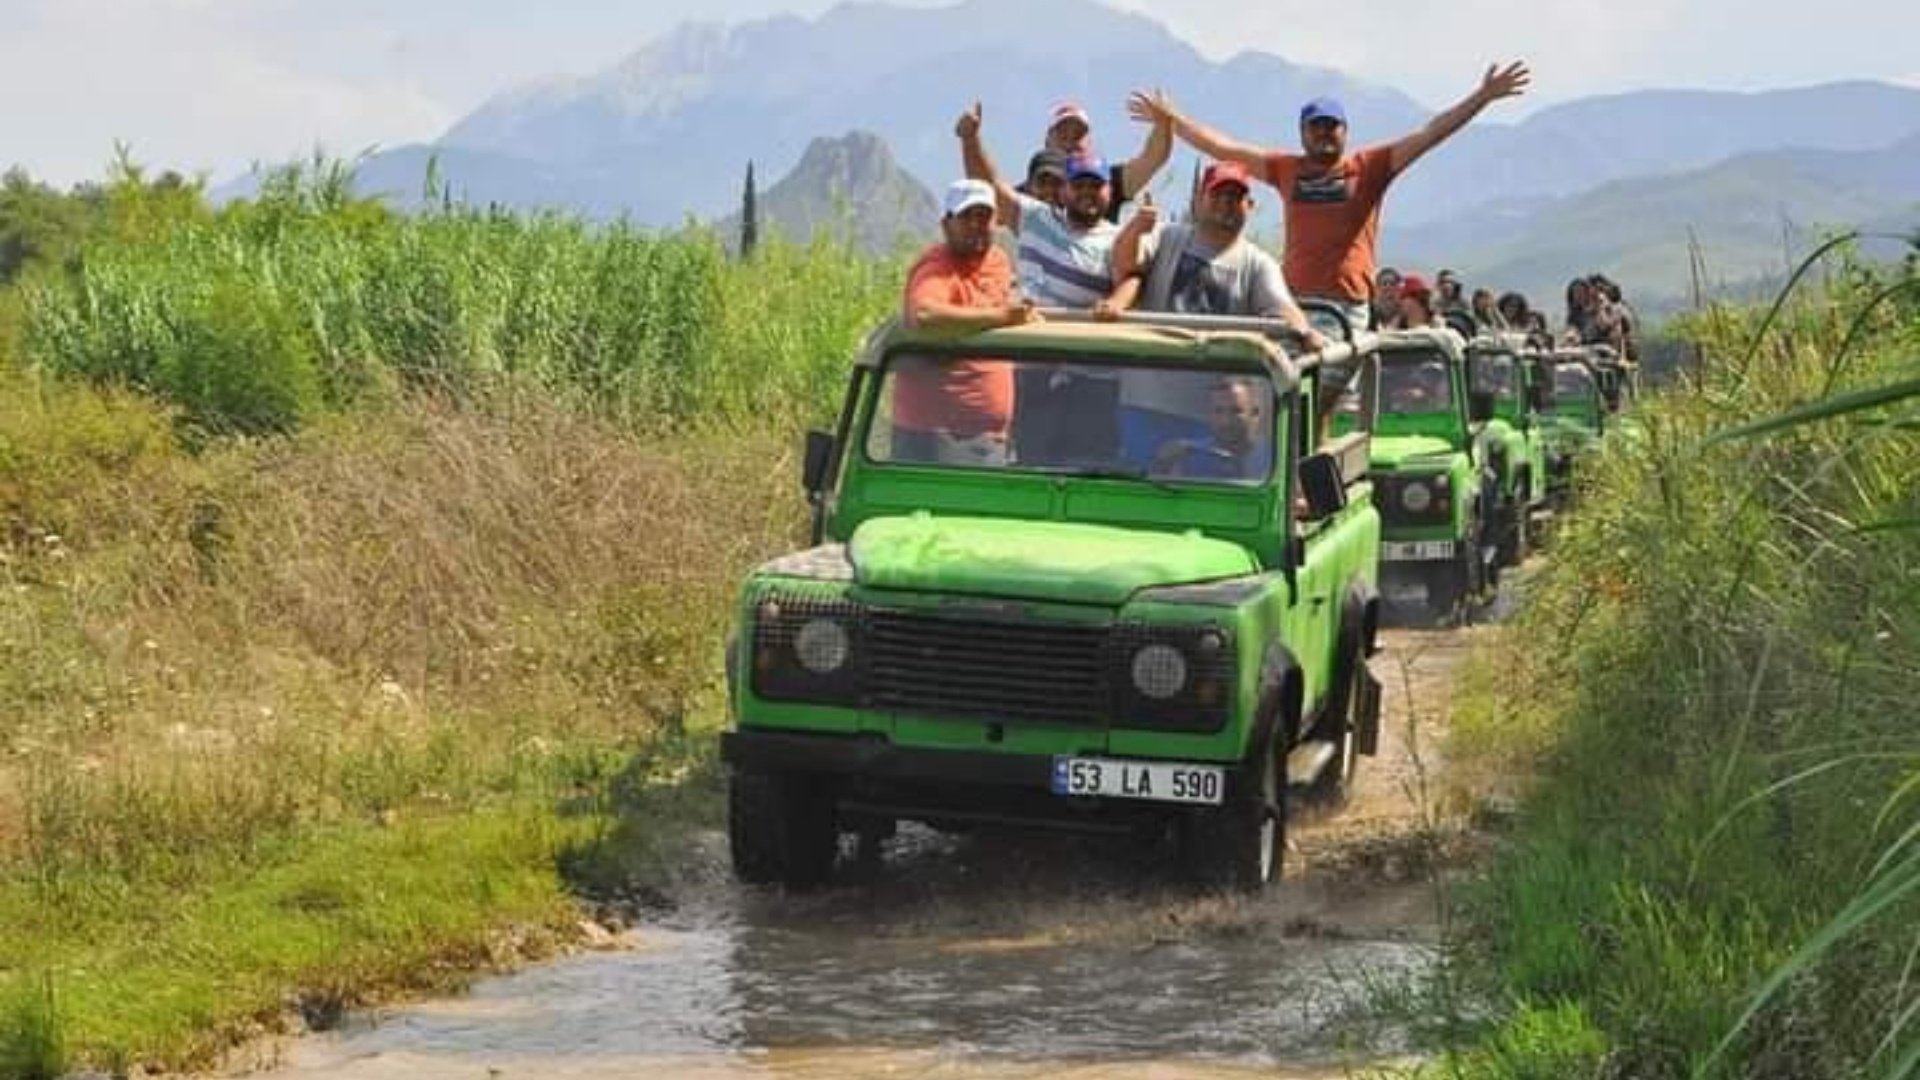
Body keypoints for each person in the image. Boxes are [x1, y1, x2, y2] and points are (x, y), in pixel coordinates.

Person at [1127, 62, 1531, 330]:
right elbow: (1225, 149)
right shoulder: (1287, 169)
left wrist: (1482, 97)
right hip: (1293, 301)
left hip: (1346, 307)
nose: (1323, 132)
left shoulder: (1370, 167)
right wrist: (1173, 119)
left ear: (1344, 131)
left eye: (1331, 126)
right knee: (1286, 400)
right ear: (1303, 132)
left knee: (1327, 399)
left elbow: (1430, 135)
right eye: (1315, 126)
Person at [1099, 160, 1329, 350]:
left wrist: (1305, 332)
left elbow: (1282, 307)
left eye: (1234, 196)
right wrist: (1136, 228)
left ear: (1249, 205)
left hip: (1217, 400)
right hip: (1146, 395)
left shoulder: (1258, 264)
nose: (1226, 202)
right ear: (1199, 200)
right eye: (1217, 194)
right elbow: (1125, 263)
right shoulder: (1166, 236)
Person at [892, 179, 1041, 465]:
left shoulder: (997, 261)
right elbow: (924, 316)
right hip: (935, 436)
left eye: (983, 216)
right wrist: (1003, 317)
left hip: (988, 437)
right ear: (946, 224)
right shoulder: (937, 267)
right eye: (966, 216)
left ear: (995, 222)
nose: (976, 224)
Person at [957, 101, 1121, 309]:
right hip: (1026, 331)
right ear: (1066, 190)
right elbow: (990, 188)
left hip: (1080, 336)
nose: (1086, 192)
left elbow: (1131, 282)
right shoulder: (1036, 217)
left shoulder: (1118, 239)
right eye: (1079, 185)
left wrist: (1115, 303)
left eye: (1095, 185)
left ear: (1110, 191)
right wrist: (970, 139)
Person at [1042, 100, 1172, 224]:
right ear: (1048, 141)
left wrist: (1163, 123)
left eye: (1078, 135)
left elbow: (1152, 159)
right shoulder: (1030, 189)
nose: (1070, 143)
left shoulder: (1106, 179)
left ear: (1089, 143)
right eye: (1062, 135)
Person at [1152, 377, 1272, 480]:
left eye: (1236, 411)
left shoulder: (1273, 459)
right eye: (1218, 411)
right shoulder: (1187, 455)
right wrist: (1162, 464)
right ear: (1209, 415)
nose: (1226, 421)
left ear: (1255, 414)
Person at [1372, 267, 1404, 331]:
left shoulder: (1406, 319)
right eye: (1384, 284)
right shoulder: (1368, 318)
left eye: (1392, 284)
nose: (1388, 287)